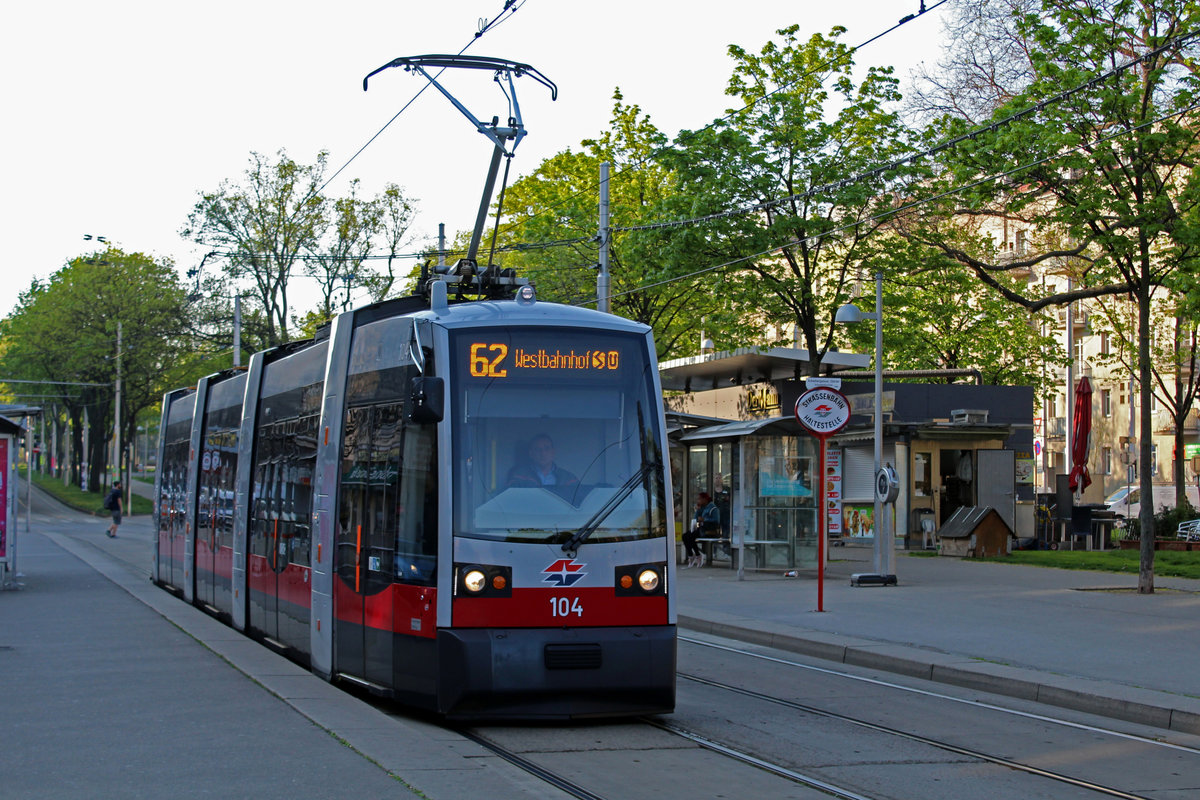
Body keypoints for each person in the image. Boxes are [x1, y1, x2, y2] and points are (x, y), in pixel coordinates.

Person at [506, 434, 579, 490]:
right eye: (538, 449)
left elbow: (577, 500)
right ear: (531, 454)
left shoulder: (569, 478)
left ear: (553, 452)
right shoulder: (519, 476)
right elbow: (512, 499)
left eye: (547, 449)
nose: (543, 453)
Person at [683, 492, 720, 568]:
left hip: (709, 531)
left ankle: (698, 555)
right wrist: (698, 510)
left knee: (690, 536)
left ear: (705, 499)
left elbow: (716, 520)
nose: (698, 501)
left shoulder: (713, 508)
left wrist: (705, 519)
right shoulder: (703, 508)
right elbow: (696, 518)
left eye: (699, 499)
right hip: (701, 529)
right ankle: (691, 555)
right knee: (685, 536)